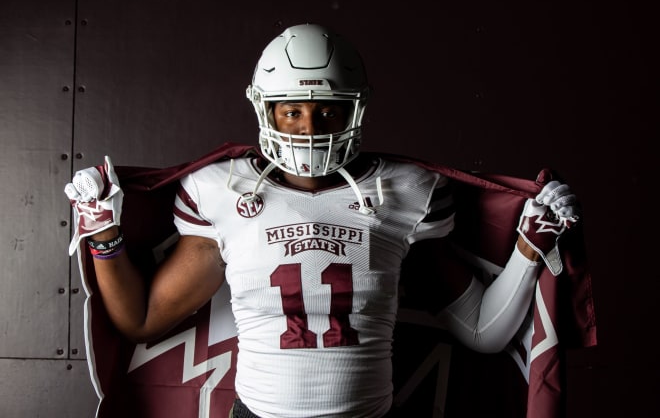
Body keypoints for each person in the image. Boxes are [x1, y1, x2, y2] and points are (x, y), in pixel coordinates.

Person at [65, 23, 580, 418]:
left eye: (328, 110)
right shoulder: (221, 191)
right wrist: (103, 233)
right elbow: (141, 319)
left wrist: (529, 249)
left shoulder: (406, 192)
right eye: (292, 111)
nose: (310, 129)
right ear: (264, 110)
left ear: (355, 110)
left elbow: (482, 331)